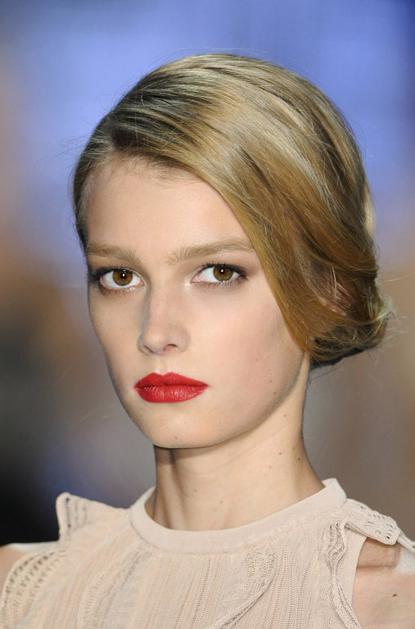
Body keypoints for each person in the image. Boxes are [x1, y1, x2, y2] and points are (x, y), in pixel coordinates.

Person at [1, 52, 414, 628]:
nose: (156, 332)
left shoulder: (393, 608)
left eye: (218, 273)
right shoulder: (21, 595)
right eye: (120, 276)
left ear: (329, 290)